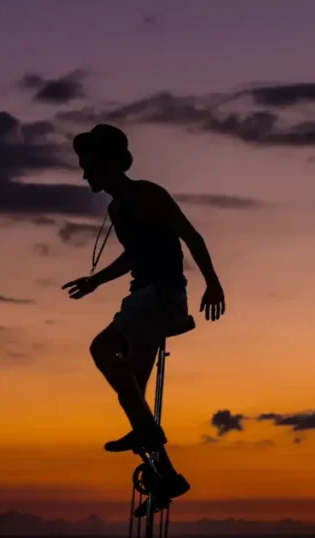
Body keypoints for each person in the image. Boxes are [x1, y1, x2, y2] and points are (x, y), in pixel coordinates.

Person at [62, 124, 226, 514]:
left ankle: (153, 448)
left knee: (118, 370)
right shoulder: (116, 208)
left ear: (109, 164)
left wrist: (214, 285)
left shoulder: (148, 195)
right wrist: (95, 281)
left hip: (163, 298)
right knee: (127, 385)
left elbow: (191, 237)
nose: (85, 175)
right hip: (140, 299)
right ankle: (164, 475)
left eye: (90, 167)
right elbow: (134, 256)